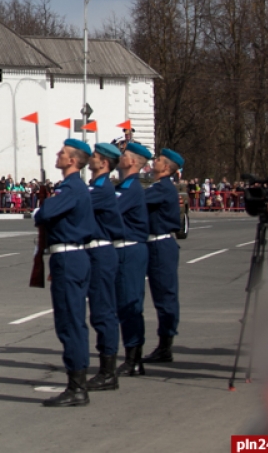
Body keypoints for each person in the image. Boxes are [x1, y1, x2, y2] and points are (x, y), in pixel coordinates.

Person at [34, 139, 98, 407]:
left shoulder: (71, 188)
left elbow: (44, 213)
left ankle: (77, 387)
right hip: (71, 257)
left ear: (73, 160)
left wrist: (43, 207)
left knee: (70, 322)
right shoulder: (72, 188)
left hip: (69, 257)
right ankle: (77, 383)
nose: (58, 155)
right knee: (71, 321)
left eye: (62, 153)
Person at [84, 142, 124, 391]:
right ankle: (106, 368)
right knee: (99, 311)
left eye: (95, 156)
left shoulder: (101, 189)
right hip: (93, 251)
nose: (91, 159)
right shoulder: (94, 187)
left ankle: (108, 371)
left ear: (104, 163)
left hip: (100, 251)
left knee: (103, 311)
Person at [114, 141, 152, 376]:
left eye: (124, 154)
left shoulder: (131, 188)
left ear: (133, 162)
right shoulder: (125, 186)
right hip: (124, 249)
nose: (120, 157)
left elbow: (111, 210)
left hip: (129, 250)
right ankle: (133, 356)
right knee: (125, 304)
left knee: (130, 305)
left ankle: (133, 359)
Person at [143, 147, 184, 364]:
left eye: (158, 159)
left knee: (165, 296)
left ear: (166, 167)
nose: (154, 161)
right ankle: (164, 344)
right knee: (161, 295)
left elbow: (138, 200)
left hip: (160, 245)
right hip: (155, 244)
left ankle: (165, 345)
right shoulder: (159, 187)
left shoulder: (162, 188)